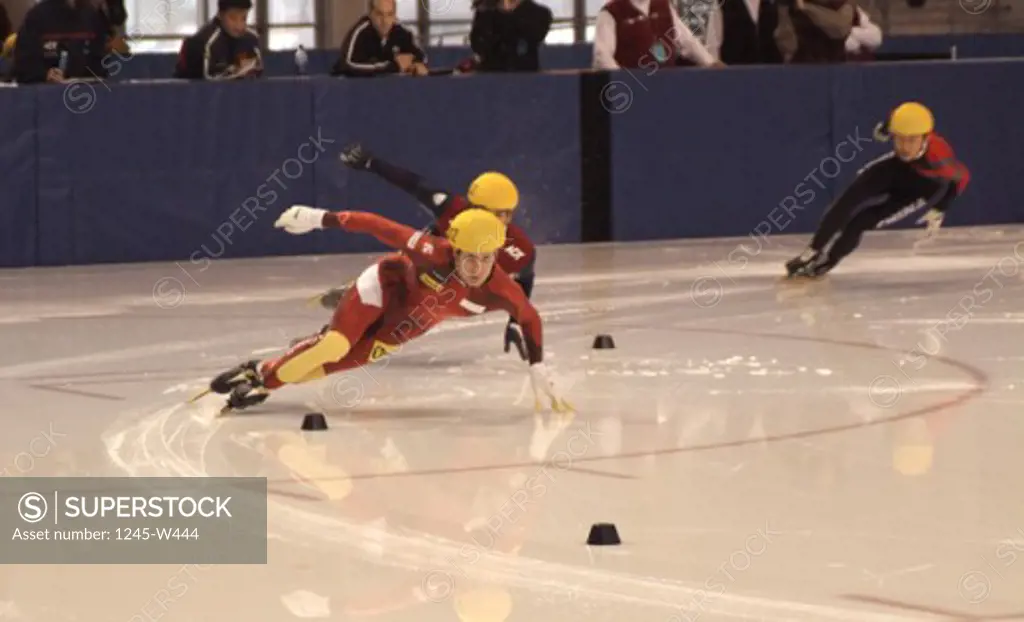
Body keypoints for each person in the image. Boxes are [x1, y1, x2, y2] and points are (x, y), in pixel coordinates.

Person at [197, 207, 571, 415]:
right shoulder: (431, 251)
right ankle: (267, 384)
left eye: (485, 258)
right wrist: (318, 218)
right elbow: (378, 225)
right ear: (453, 249)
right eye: (467, 257)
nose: (475, 266)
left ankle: (262, 369)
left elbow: (530, 317)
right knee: (334, 345)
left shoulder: (501, 288)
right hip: (383, 286)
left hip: (407, 326)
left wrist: (536, 364)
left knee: (322, 368)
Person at [314, 144, 538, 360]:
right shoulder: (452, 208)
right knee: (399, 279)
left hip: (448, 289)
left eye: (499, 214)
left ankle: (341, 335)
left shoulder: (520, 249)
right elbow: (414, 184)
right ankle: (341, 324)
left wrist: (515, 321)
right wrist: (372, 163)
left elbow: (524, 280)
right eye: (476, 210)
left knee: (401, 313)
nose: (481, 219)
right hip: (421, 263)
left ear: (508, 216)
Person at [784, 102, 970, 279]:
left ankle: (827, 261)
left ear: (925, 137)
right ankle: (812, 252)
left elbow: (961, 178)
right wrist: (883, 129)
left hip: (919, 189)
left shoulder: (938, 155)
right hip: (896, 169)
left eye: (911, 140)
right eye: (898, 139)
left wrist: (940, 208)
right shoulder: (898, 122)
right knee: (846, 201)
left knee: (860, 222)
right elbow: (891, 122)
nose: (904, 147)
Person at [593, 0, 723, 69]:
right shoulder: (611, 12)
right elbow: (602, 56)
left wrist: (711, 63)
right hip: (633, 90)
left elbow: (687, 41)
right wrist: (623, 80)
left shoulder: (664, 6)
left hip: (665, 86)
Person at [13, 0, 108, 84]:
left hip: (85, 90)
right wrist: (45, 75)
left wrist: (75, 74)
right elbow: (23, 63)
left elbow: (99, 62)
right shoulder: (36, 16)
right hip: (44, 94)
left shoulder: (92, 16)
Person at [331, 0, 427, 77]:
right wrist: (394, 66)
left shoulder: (402, 32)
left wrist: (416, 64)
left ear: (395, 16)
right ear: (371, 14)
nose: (385, 21)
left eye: (390, 14)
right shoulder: (361, 32)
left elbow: (421, 56)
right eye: (380, 14)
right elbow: (348, 65)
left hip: (384, 90)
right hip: (350, 89)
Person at [173, 0, 262, 80]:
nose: (239, 26)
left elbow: (256, 71)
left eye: (244, 18)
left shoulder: (251, 39)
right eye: (233, 18)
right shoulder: (204, 42)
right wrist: (236, 70)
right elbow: (208, 79)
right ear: (220, 15)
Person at [469, 0, 552, 73]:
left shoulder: (540, 13)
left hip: (525, 79)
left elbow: (534, 35)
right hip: (490, 78)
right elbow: (478, 46)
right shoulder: (485, 13)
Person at [775, 0, 853, 64]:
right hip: (801, 66)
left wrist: (805, 8)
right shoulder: (789, 8)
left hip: (833, 68)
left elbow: (840, 29)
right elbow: (786, 42)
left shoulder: (844, 7)